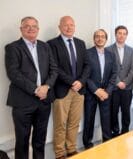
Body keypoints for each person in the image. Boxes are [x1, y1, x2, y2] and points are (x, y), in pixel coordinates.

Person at [5, 16, 57, 159]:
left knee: (40, 141)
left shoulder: (45, 46)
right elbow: (14, 74)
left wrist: (46, 87)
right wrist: (36, 89)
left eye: (34, 26)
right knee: (22, 142)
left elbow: (54, 70)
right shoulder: (12, 48)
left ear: (38, 29)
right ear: (21, 29)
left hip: (44, 101)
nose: (31, 28)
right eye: (27, 26)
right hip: (23, 102)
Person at [47, 16, 89, 159]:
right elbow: (55, 68)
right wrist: (72, 82)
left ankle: (71, 149)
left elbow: (87, 66)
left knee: (74, 123)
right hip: (62, 90)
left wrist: (80, 82)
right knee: (60, 124)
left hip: (79, 90)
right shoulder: (51, 44)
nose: (69, 27)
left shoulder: (80, 43)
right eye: (66, 25)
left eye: (72, 25)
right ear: (60, 27)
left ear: (75, 26)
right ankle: (59, 153)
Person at [82, 29, 117, 149]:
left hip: (106, 93)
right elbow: (84, 75)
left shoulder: (111, 55)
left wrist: (107, 91)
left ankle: (106, 143)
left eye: (102, 36)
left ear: (106, 39)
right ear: (94, 39)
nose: (100, 38)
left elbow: (114, 74)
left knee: (106, 120)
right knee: (89, 119)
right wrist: (96, 90)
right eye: (97, 36)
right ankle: (88, 145)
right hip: (91, 92)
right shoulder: (86, 53)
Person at [106, 25, 133, 137]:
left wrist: (125, 82)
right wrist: (118, 82)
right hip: (113, 87)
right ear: (115, 34)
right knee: (113, 112)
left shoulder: (131, 50)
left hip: (127, 87)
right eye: (119, 33)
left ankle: (125, 132)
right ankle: (115, 132)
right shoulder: (108, 49)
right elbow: (108, 68)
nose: (121, 35)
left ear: (126, 35)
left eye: (124, 33)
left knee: (126, 112)